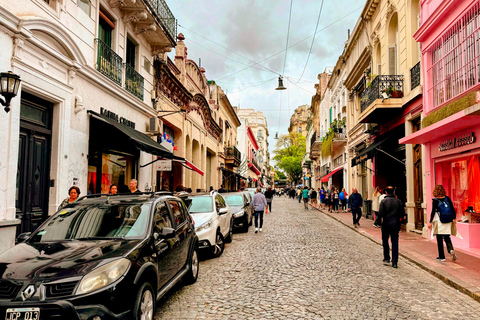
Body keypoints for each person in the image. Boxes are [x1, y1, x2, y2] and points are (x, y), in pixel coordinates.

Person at [428, 185, 459, 262]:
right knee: (447, 236)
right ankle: (451, 249)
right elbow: (452, 208)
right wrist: (454, 218)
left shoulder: (435, 200)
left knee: (439, 238)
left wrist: (430, 221)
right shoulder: (447, 198)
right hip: (448, 220)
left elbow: (433, 212)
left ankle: (442, 257)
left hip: (440, 221)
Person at [378, 186, 405, 268]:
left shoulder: (383, 201)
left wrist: (379, 221)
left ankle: (386, 258)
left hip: (386, 223)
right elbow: (402, 214)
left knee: (385, 241)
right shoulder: (398, 201)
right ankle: (394, 261)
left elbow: (381, 213)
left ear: (386, 192)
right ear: (393, 192)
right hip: (395, 224)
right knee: (395, 242)